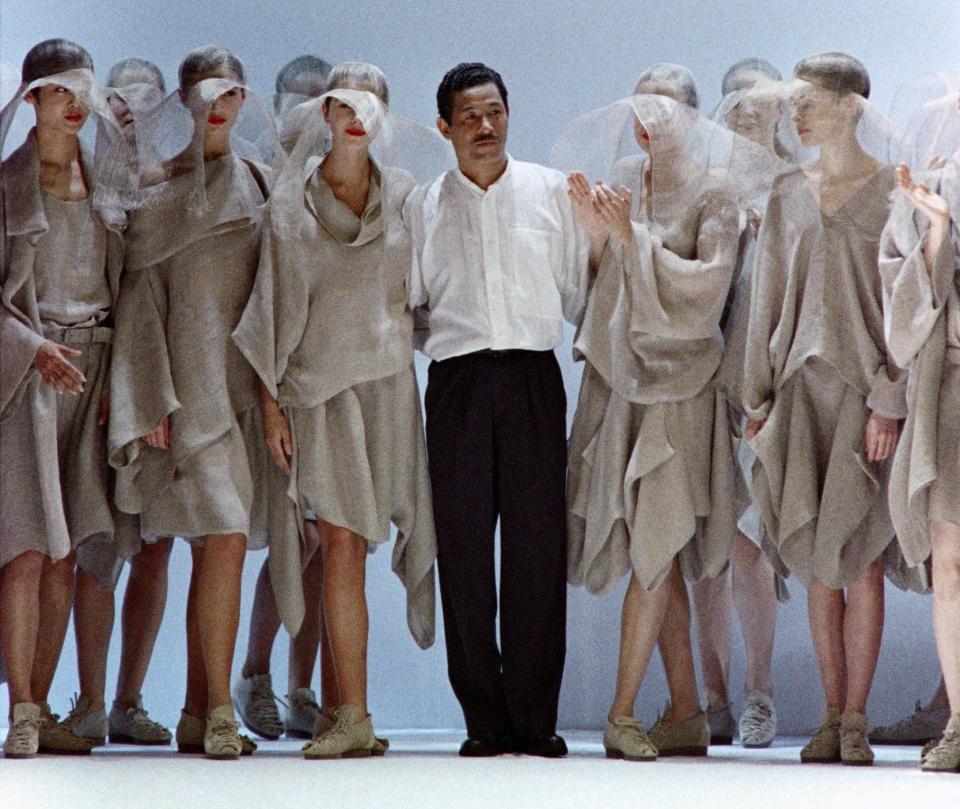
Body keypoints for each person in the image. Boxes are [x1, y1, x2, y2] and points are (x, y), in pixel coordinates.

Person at [234, 61, 438, 760]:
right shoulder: (291, 207)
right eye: (344, 104)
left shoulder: (408, 197)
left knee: (354, 550)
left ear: (384, 116)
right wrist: (270, 410)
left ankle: (334, 708)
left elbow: (426, 295)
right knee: (341, 545)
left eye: (371, 105)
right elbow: (269, 315)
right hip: (319, 395)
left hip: (386, 392)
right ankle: (353, 712)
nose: (357, 116)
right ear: (324, 112)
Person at [556, 88, 757, 760]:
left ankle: (620, 712)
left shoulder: (715, 195)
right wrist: (595, 238)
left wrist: (627, 238)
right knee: (657, 553)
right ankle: (685, 708)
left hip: (681, 389)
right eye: (640, 118)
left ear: (691, 121)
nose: (648, 129)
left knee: (657, 541)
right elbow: (600, 286)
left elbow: (707, 291)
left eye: (662, 117)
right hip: (626, 386)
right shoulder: (625, 186)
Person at [405, 62, 589, 758]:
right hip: (455, 384)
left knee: (538, 545)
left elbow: (575, 289)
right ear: (444, 127)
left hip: (534, 378)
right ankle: (484, 717)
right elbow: (414, 303)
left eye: (495, 112)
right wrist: (456, 351)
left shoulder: (549, 192)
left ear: (508, 115)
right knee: (463, 548)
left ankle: (534, 716)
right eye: (470, 116)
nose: (485, 126)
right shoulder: (422, 205)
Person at [108, 45, 278, 760]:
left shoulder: (262, 186)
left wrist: (274, 403)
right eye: (205, 94)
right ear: (184, 102)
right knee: (223, 537)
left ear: (242, 100)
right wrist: (146, 398)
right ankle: (213, 709)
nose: (218, 106)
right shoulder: (153, 192)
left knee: (222, 547)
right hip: (183, 394)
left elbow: (274, 301)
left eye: (230, 93)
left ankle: (190, 707)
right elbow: (140, 301)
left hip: (240, 396)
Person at [742, 52, 905, 766]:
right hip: (801, 392)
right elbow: (765, 300)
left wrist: (891, 399)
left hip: (866, 394)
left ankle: (857, 719)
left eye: (810, 101)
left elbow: (905, 305)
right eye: (794, 102)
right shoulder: (787, 193)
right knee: (814, 559)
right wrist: (756, 397)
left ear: (849, 107)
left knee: (862, 561)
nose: (797, 114)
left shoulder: (892, 192)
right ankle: (829, 712)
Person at [0, 38, 125, 758]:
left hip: (92, 373)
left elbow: (128, 284)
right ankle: (20, 705)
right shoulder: (8, 185)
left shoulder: (105, 182)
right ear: (33, 100)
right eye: (61, 90)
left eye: (84, 89)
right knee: (24, 546)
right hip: (27, 378)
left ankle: (41, 703)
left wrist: (121, 384)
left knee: (68, 552)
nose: (75, 103)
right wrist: (32, 349)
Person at [63, 56, 172, 749]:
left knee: (156, 543)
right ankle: (92, 699)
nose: (131, 113)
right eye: (121, 101)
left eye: (145, 102)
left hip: (162, 374)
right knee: (95, 541)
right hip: (97, 365)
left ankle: (130, 697)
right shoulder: (83, 182)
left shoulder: (171, 188)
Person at [233, 52, 334, 744]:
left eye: (320, 103)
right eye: (295, 102)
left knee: (330, 539)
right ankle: (255, 672)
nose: (308, 116)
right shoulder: (255, 179)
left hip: (330, 377)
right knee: (289, 535)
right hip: (267, 377)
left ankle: (303, 687)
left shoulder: (339, 180)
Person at [695, 74, 796, 748]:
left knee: (748, 544)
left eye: (763, 105)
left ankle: (759, 692)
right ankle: (712, 697)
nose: (750, 115)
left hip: (762, 392)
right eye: (739, 104)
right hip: (699, 385)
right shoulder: (706, 187)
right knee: (703, 549)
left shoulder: (797, 189)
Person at [878, 71, 960, 772]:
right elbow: (905, 299)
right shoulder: (934, 179)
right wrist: (935, 229)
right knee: (950, 561)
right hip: (953, 387)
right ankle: (959, 719)